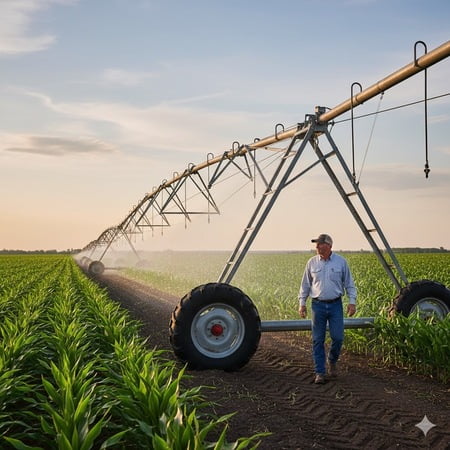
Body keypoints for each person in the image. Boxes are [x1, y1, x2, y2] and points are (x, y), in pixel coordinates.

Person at [298, 234, 356, 384]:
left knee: (338, 337)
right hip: (317, 305)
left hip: (336, 305)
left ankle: (332, 360)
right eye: (316, 244)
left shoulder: (341, 262)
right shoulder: (311, 263)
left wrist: (352, 301)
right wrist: (302, 303)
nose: (316, 247)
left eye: (319, 244)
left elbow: (349, 283)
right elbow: (305, 285)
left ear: (329, 245)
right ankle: (320, 372)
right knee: (318, 340)